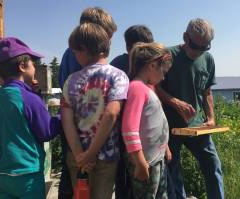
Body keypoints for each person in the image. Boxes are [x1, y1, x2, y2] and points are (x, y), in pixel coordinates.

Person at [156, 18, 224, 199]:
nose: (200, 51)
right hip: (170, 127)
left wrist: (210, 118)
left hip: (197, 126)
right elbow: (154, 86)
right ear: (185, 37)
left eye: (206, 47)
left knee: (212, 164)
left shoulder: (208, 60)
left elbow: (207, 91)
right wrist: (174, 102)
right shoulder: (168, 56)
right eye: (196, 46)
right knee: (173, 169)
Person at [60, 23, 129, 199]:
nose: (75, 57)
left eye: (75, 52)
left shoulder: (71, 80)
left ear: (83, 49)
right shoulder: (118, 76)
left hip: (77, 157)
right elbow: (112, 113)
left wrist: (80, 155)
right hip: (105, 156)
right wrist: (91, 154)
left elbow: (66, 119)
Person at [0, 37, 60, 199]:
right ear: (22, 66)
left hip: (0, 173)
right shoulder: (28, 98)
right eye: (32, 63)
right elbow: (46, 132)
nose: (35, 67)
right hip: (27, 175)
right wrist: (61, 114)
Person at [122, 42, 172, 199]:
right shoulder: (136, 88)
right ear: (152, 65)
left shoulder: (147, 88)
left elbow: (155, 123)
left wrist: (166, 147)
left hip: (156, 158)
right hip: (146, 161)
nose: (163, 77)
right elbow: (129, 129)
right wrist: (140, 162)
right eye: (163, 71)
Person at [110, 24, 154, 199]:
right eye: (142, 49)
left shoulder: (150, 64)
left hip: (145, 131)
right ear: (129, 48)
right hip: (125, 133)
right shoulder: (117, 67)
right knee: (124, 180)